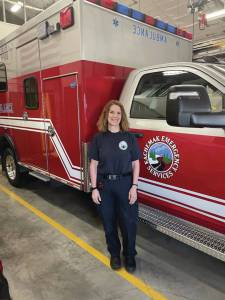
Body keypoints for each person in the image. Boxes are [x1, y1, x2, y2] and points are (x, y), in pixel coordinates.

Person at [89, 100, 141, 273]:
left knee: (129, 223)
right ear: (106, 115)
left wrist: (134, 186)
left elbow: (135, 164)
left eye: (118, 113)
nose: (115, 116)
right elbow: (93, 165)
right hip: (105, 186)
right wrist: (94, 188)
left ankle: (129, 255)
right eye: (111, 112)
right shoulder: (98, 139)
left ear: (122, 116)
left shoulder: (129, 137)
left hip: (125, 184)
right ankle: (115, 255)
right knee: (109, 223)